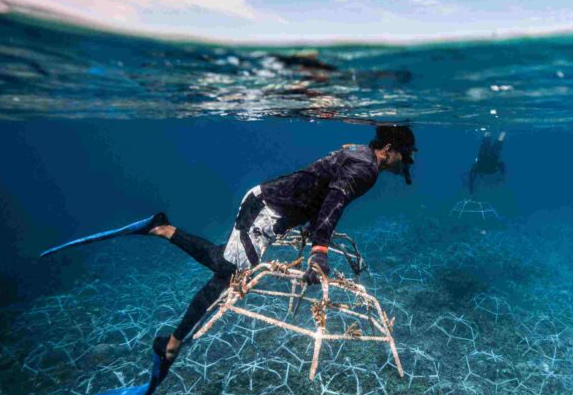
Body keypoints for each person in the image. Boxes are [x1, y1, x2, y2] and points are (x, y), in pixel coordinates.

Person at [41, 124, 417, 367]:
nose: (405, 164)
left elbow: (323, 188)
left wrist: (310, 229)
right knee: (228, 274)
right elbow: (334, 197)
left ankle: (162, 229)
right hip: (267, 209)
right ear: (389, 147)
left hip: (273, 210)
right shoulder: (366, 167)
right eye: (405, 156)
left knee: (228, 268)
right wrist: (319, 250)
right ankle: (172, 343)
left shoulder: (359, 153)